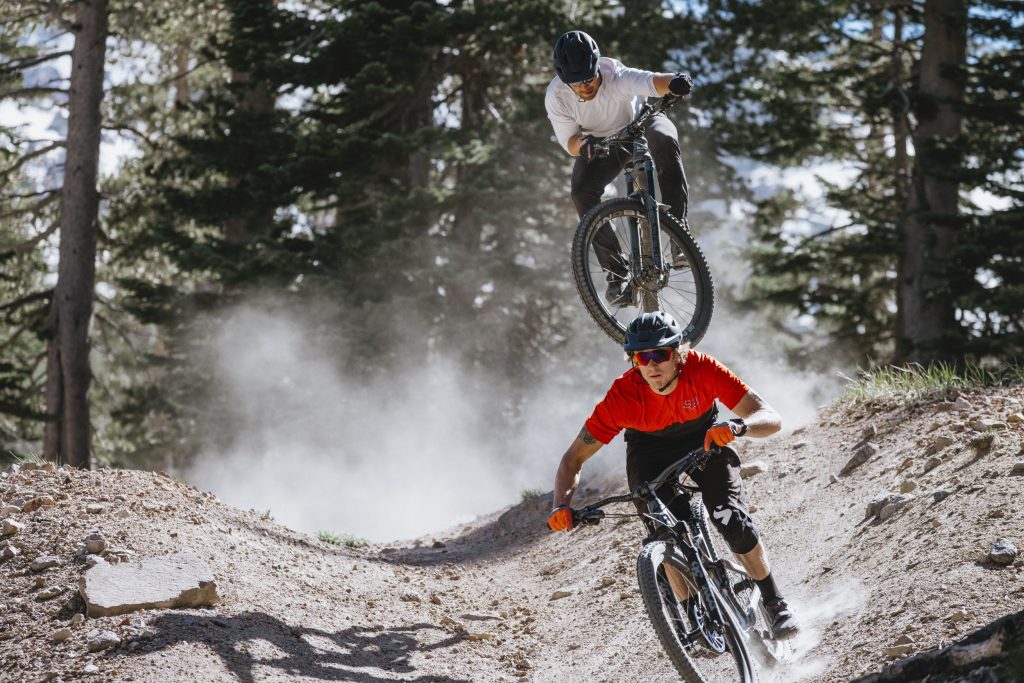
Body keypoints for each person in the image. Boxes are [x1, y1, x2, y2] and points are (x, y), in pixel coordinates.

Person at [546, 311, 799, 640]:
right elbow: (572, 459)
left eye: (659, 355)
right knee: (663, 532)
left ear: (679, 353)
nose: (651, 365)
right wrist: (559, 505)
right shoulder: (623, 396)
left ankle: (773, 600)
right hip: (649, 451)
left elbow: (770, 417)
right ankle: (696, 612)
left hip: (704, 440)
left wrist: (739, 426)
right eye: (641, 357)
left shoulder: (703, 368)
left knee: (730, 520)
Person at [545, 30, 694, 306]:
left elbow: (651, 82)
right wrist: (583, 147)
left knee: (665, 137)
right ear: (565, 80)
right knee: (581, 192)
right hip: (603, 144)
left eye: (589, 79)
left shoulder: (615, 74)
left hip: (640, 124)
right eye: (576, 83)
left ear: (597, 67)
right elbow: (569, 140)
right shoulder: (556, 96)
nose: (585, 87)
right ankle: (617, 273)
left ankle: (678, 233)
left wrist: (674, 81)